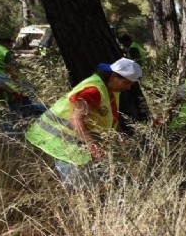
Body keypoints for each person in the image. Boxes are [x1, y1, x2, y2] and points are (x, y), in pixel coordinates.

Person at [25, 58, 142, 190]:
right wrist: (92, 145)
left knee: (91, 187)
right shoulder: (93, 90)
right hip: (59, 142)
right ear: (114, 76)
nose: (128, 87)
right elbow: (75, 118)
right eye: (126, 82)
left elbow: (110, 116)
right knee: (79, 190)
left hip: (76, 146)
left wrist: (119, 133)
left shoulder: (111, 89)